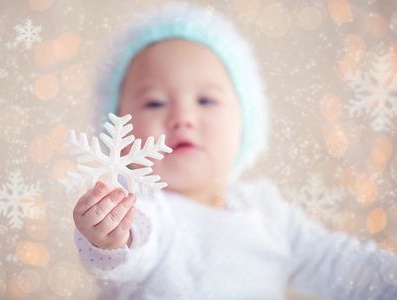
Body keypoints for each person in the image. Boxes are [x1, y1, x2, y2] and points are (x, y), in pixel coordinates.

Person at [72, 3, 397, 299]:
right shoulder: (144, 207)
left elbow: (344, 266)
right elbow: (133, 249)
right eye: (155, 102)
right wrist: (112, 237)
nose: (182, 118)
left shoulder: (269, 213)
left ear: (246, 121)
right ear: (116, 128)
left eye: (206, 100)